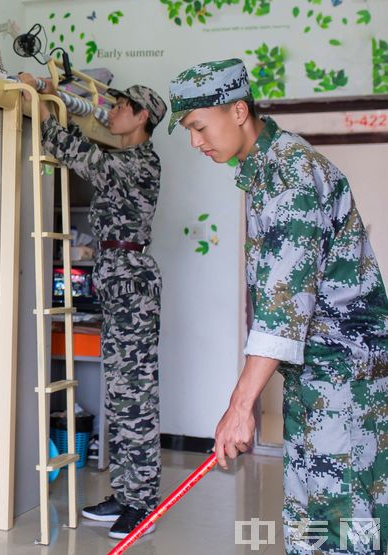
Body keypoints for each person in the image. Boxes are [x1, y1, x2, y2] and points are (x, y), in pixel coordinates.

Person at [168, 58, 388, 554]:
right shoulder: (266, 171)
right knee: (310, 521)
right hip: (318, 380)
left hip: (345, 385)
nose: (195, 142)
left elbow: (284, 306)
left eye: (199, 126)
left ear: (239, 110)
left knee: (345, 529)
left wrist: (240, 407)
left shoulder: (290, 173)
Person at [18, 73, 167, 539]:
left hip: (133, 286)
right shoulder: (126, 157)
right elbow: (91, 133)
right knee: (121, 395)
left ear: (143, 118)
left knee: (135, 397)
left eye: (125, 105)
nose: (116, 110)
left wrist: (40, 105)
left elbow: (80, 154)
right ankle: (125, 494)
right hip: (118, 279)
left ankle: (142, 504)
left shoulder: (141, 163)